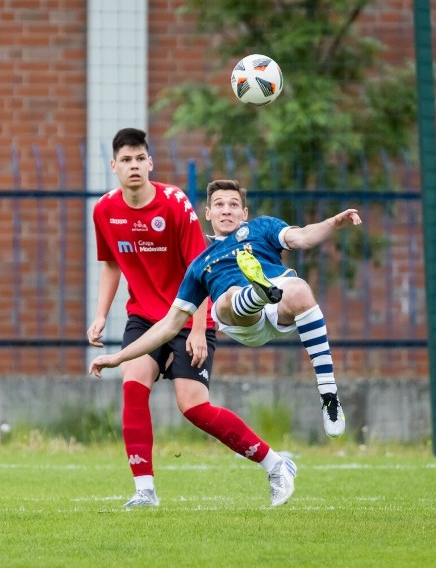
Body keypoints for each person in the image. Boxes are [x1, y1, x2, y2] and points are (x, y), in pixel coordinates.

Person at [91, 179, 362, 505]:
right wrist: (118, 357)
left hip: (279, 301)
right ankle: (254, 292)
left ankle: (328, 394)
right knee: (227, 300)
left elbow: (302, 236)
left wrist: (334, 222)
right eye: (219, 204)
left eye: (233, 204)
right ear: (208, 213)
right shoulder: (201, 264)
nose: (226, 209)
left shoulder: (262, 228)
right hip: (243, 319)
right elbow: (168, 326)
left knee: (301, 289)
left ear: (244, 212)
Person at [89, 128, 292, 508]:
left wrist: (199, 327)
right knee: (133, 386)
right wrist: (100, 315)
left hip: (187, 315)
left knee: (194, 408)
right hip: (144, 317)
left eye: (140, 159)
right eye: (126, 160)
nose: (134, 166)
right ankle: (144, 491)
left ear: (150, 163)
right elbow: (111, 264)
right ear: (114, 167)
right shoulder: (104, 210)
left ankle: (275, 463)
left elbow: (204, 269)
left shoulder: (174, 203)